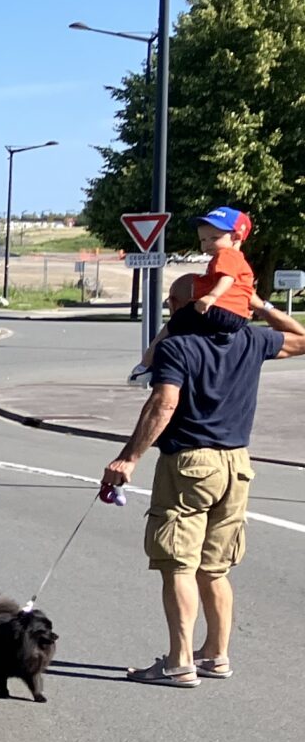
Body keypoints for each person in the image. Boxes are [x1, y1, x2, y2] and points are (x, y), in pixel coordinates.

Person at [101, 271, 305, 685]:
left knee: (177, 562)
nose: (169, 310)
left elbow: (163, 403)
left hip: (190, 464)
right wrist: (260, 305)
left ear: (186, 306)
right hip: (237, 465)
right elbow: (301, 337)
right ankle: (216, 655)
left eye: (172, 303)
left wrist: (129, 457)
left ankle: (178, 663)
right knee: (215, 568)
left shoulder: (177, 347)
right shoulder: (251, 340)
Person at [132, 205, 257, 381]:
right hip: (238, 317)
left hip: (218, 309)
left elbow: (227, 278)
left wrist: (212, 296)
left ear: (236, 237)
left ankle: (146, 366)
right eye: (203, 240)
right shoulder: (240, 261)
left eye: (214, 238)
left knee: (172, 326)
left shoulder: (226, 255)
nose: (207, 244)